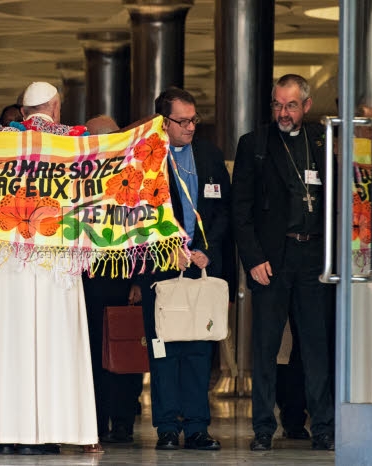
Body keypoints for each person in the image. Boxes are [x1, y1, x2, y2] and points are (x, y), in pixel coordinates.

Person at [0, 82, 97, 455]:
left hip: (4, 257)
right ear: (54, 107)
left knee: (6, 342)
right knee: (51, 343)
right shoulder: (75, 144)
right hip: (53, 254)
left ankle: (2, 431)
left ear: (23, 112)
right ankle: (47, 430)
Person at [232, 74, 335, 451]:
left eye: (291, 105)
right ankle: (263, 427)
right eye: (277, 104)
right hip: (271, 260)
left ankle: (322, 425)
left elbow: (334, 206)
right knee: (265, 346)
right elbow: (239, 211)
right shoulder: (254, 143)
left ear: (306, 106)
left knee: (316, 346)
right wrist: (253, 259)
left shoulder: (322, 144)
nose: (283, 112)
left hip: (313, 258)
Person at [133, 87, 230, 451]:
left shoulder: (208, 154)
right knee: (164, 351)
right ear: (163, 121)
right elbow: (135, 216)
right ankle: (167, 428)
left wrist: (206, 250)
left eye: (194, 119)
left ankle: (198, 426)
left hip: (198, 265)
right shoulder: (146, 160)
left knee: (198, 349)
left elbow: (222, 211)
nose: (190, 127)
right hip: (161, 269)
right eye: (183, 120)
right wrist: (165, 248)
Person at [82, 115, 144, 445]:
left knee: (124, 351)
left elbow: (142, 231)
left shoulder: (130, 177)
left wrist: (138, 280)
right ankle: (95, 421)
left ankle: (122, 421)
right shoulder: (77, 175)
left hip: (123, 280)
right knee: (91, 354)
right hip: (87, 281)